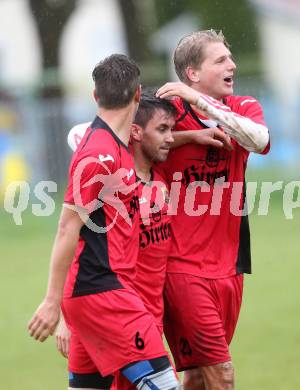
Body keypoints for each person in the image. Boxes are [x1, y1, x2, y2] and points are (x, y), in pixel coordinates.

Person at [28, 54, 180, 390]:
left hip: (98, 294)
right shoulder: (99, 154)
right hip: (102, 293)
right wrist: (52, 302)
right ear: (138, 94)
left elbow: (150, 136)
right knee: (165, 385)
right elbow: (68, 227)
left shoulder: (114, 143)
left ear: (96, 96)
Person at [155, 30, 270, 389]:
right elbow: (123, 139)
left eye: (230, 57)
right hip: (182, 266)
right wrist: (189, 136)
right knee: (222, 373)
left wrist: (198, 101)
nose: (232, 64)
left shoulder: (243, 107)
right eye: (220, 60)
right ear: (192, 72)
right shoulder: (166, 113)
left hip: (230, 266)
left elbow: (260, 140)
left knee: (197, 378)